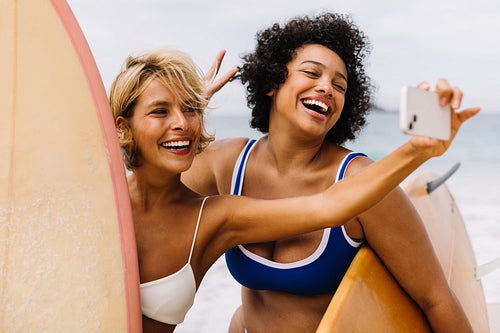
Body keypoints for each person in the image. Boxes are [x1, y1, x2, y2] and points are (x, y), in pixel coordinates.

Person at [182, 13, 478, 333]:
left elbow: (435, 299)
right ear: (270, 82)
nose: (326, 88)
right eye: (312, 72)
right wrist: (184, 114)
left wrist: (421, 149)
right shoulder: (226, 163)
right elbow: (143, 211)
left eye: (340, 86)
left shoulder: (363, 184)